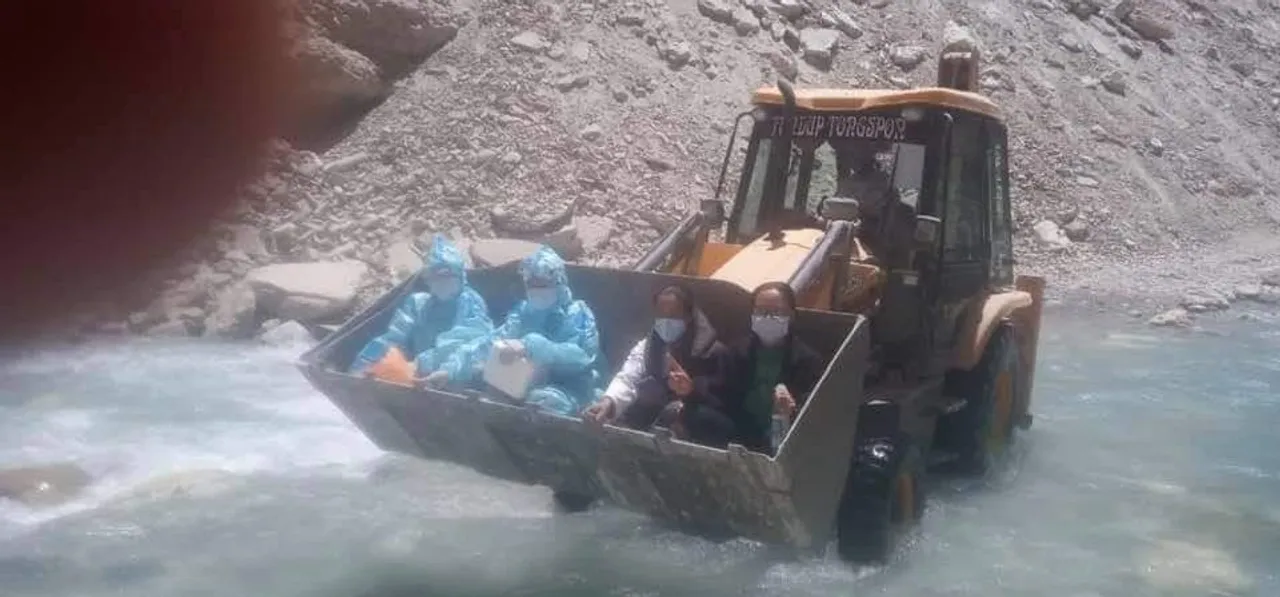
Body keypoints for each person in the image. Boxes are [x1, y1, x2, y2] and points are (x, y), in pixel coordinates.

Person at [437, 245, 603, 416]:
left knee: (543, 403)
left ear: (559, 282)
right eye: (532, 284)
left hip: (570, 388)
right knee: (480, 388)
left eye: (543, 284)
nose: (537, 290)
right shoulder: (524, 312)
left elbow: (582, 358)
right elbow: (490, 343)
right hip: (525, 384)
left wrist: (531, 345)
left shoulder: (577, 313)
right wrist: (449, 370)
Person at [582, 285, 736, 448]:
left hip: (703, 427)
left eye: (674, 315)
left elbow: (726, 402)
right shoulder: (650, 347)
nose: (666, 321)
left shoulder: (715, 352)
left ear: (689, 317)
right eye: (662, 315)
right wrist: (609, 402)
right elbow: (629, 378)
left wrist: (691, 391)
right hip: (658, 422)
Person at [348, 235, 494, 381]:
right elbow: (393, 337)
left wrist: (428, 365)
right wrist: (365, 365)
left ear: (460, 277)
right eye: (435, 277)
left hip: (454, 378)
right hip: (415, 375)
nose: (441, 282)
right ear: (428, 280)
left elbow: (467, 343)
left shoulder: (471, 303)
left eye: (447, 276)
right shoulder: (418, 303)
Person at [725, 281, 825, 455]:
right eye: (761, 311)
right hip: (740, 427)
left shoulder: (808, 360)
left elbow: (816, 410)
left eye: (776, 312)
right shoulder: (736, 351)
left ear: (791, 315)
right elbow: (720, 392)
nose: (767, 317)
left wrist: (792, 409)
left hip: (781, 434)